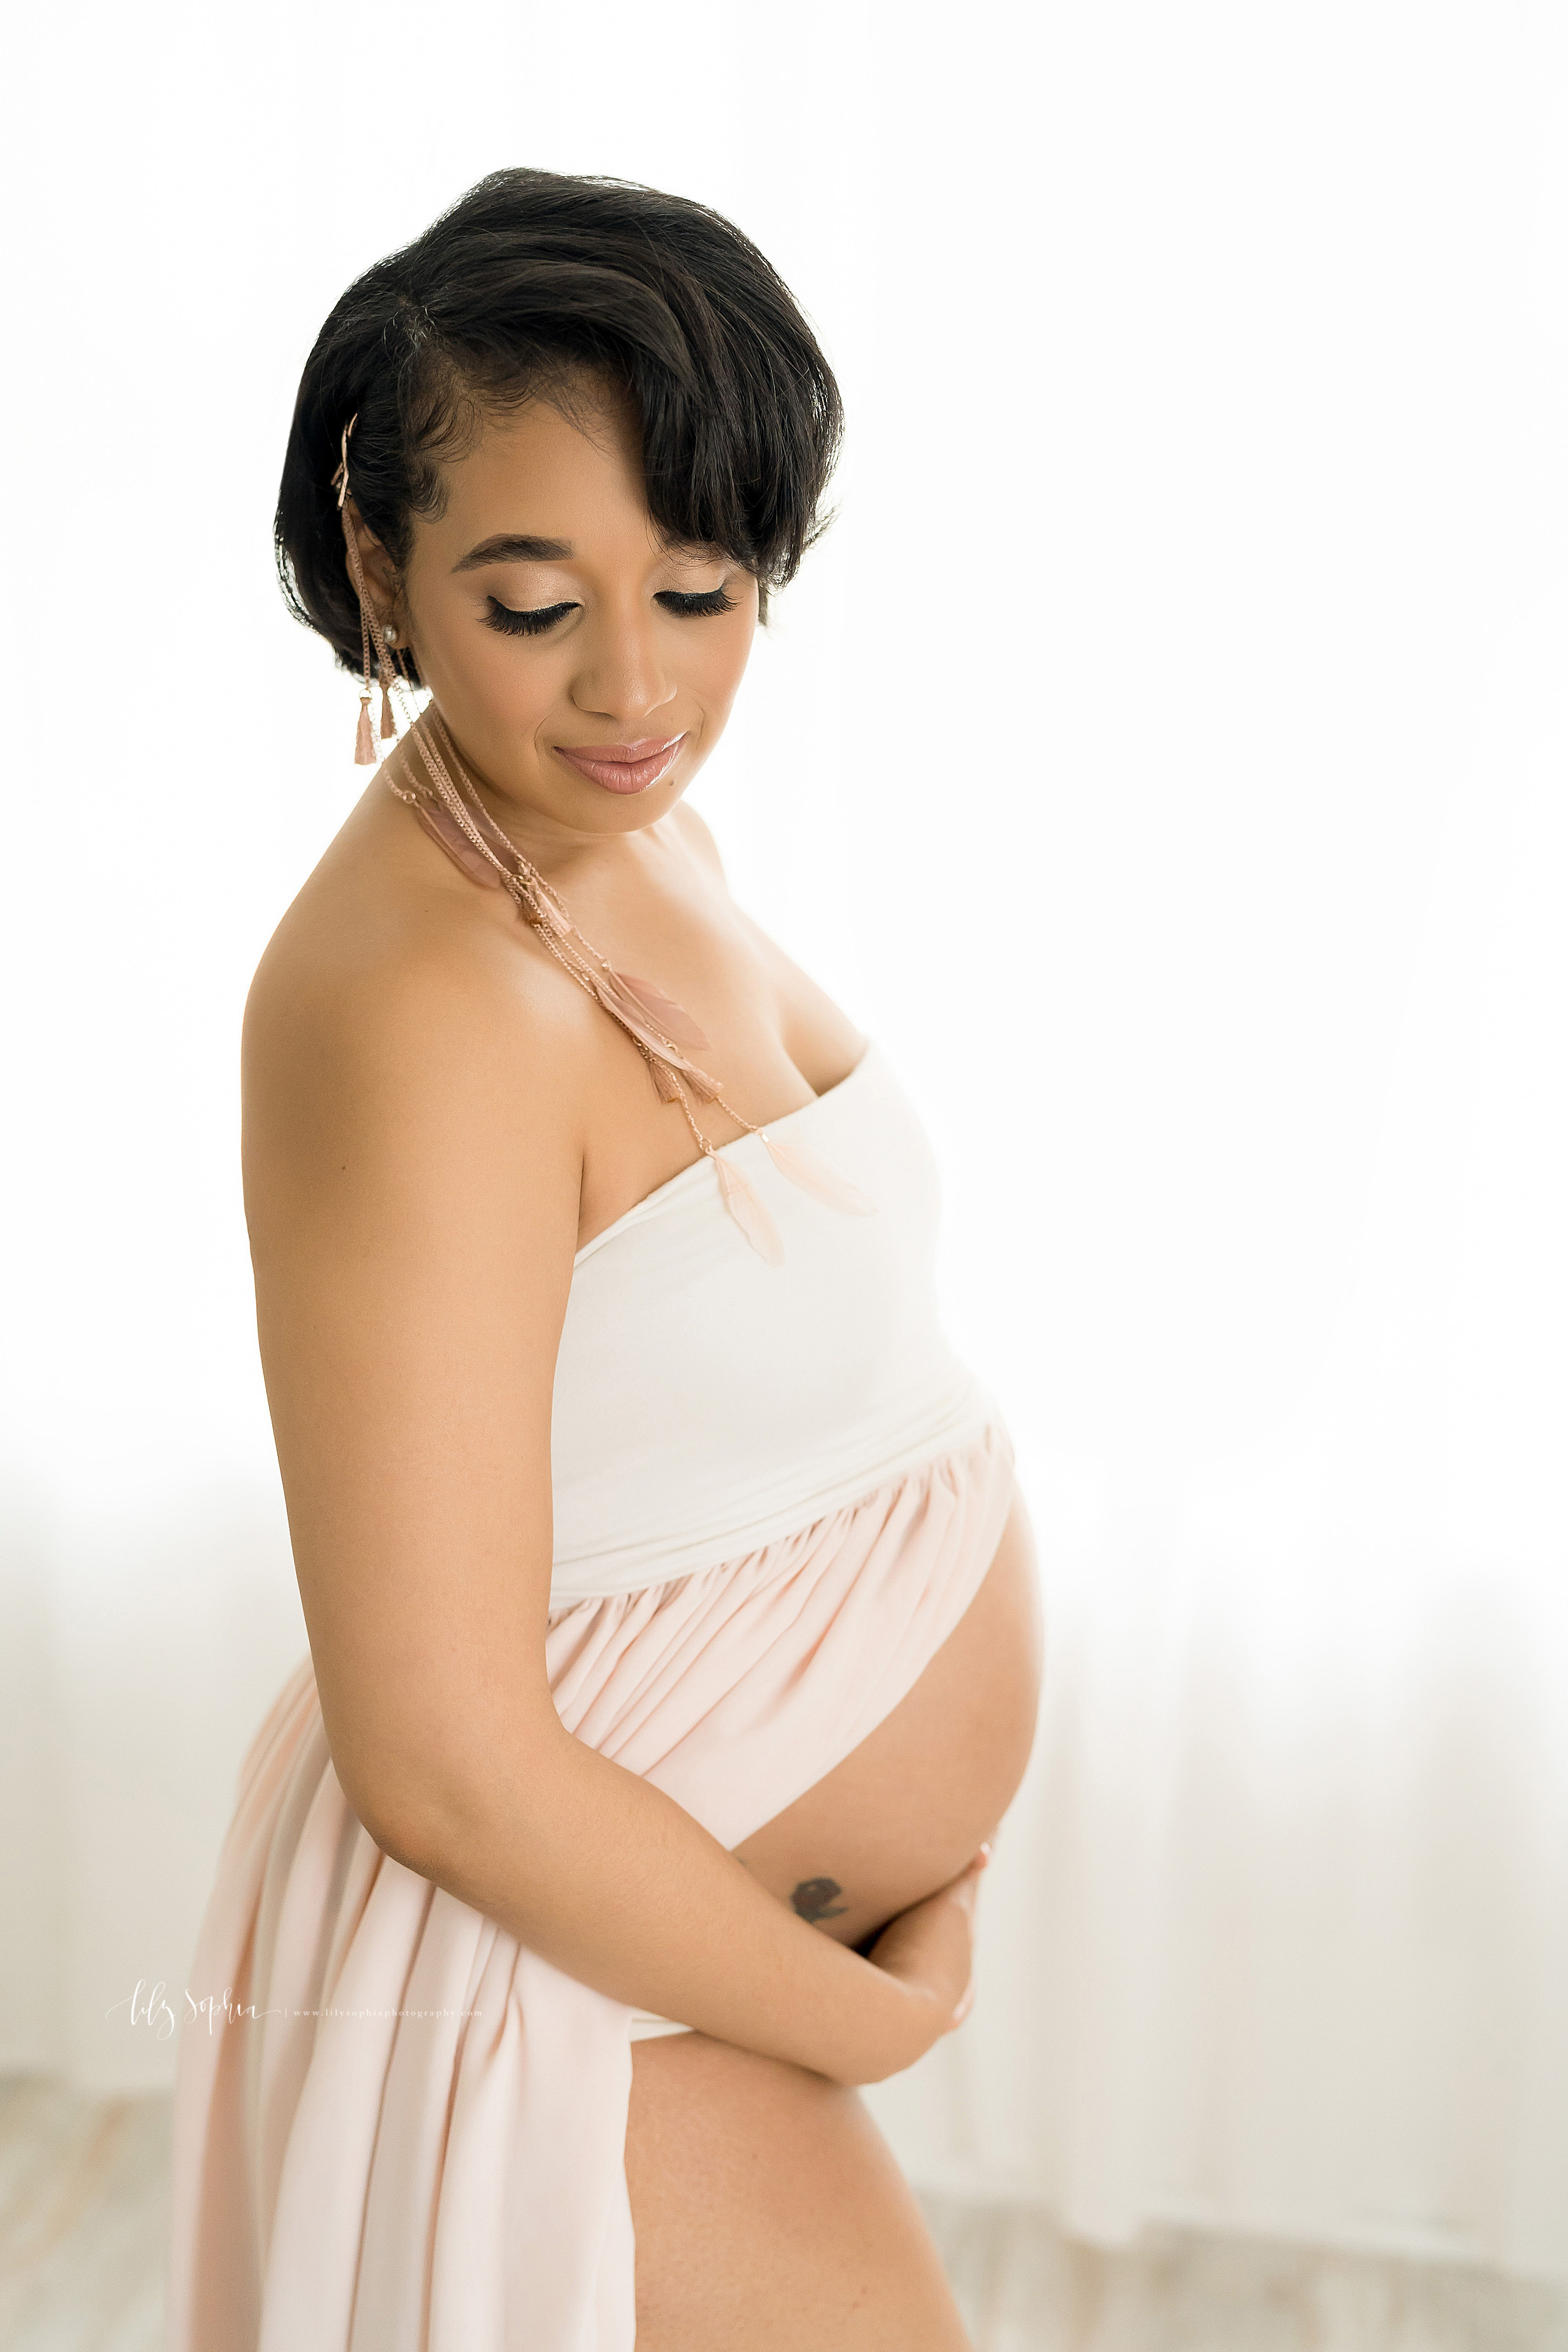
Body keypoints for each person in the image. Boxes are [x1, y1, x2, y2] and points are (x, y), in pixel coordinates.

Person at [168, 166, 1042, 2352]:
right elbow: (444, 1755)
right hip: (556, 2006)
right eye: (532, 605)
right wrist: (862, 2026)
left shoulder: (625, 821)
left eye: (706, 584)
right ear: (379, 571)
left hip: (666, 1961)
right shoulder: (415, 1002)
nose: (636, 688)